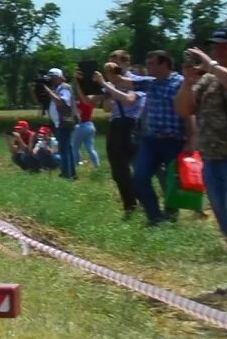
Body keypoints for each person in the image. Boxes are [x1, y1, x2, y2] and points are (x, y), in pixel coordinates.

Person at [184, 28, 227, 299]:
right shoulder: (208, 80)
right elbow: (184, 108)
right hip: (213, 161)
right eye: (214, 48)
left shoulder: (224, 74)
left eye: (223, 46)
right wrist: (187, 82)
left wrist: (213, 66)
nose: (217, 52)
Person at [105, 49, 188, 225]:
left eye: (151, 63)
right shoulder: (151, 83)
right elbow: (121, 81)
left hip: (174, 139)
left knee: (172, 180)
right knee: (140, 178)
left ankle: (171, 215)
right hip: (151, 140)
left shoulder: (181, 83)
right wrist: (111, 70)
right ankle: (155, 217)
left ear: (164, 64)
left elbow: (189, 114)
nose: (147, 67)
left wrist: (191, 140)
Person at [100, 51, 144, 218]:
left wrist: (107, 83)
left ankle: (146, 201)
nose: (112, 69)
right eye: (109, 66)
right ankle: (130, 205)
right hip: (116, 124)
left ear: (126, 63)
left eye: (115, 66)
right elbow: (107, 108)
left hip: (131, 124)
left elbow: (129, 100)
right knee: (118, 171)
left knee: (139, 169)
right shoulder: (112, 84)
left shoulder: (136, 81)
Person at [40, 66, 80, 179]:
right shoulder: (55, 89)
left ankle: (66, 174)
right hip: (59, 123)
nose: (51, 80)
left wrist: (47, 90)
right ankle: (71, 173)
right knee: (68, 149)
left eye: (52, 77)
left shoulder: (65, 88)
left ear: (59, 77)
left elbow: (60, 101)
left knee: (63, 149)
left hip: (65, 122)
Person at [71, 62, 102, 173]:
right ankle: (97, 166)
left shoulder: (81, 102)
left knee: (74, 147)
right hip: (90, 125)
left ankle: (74, 165)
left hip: (82, 125)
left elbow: (77, 113)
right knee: (91, 148)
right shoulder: (90, 99)